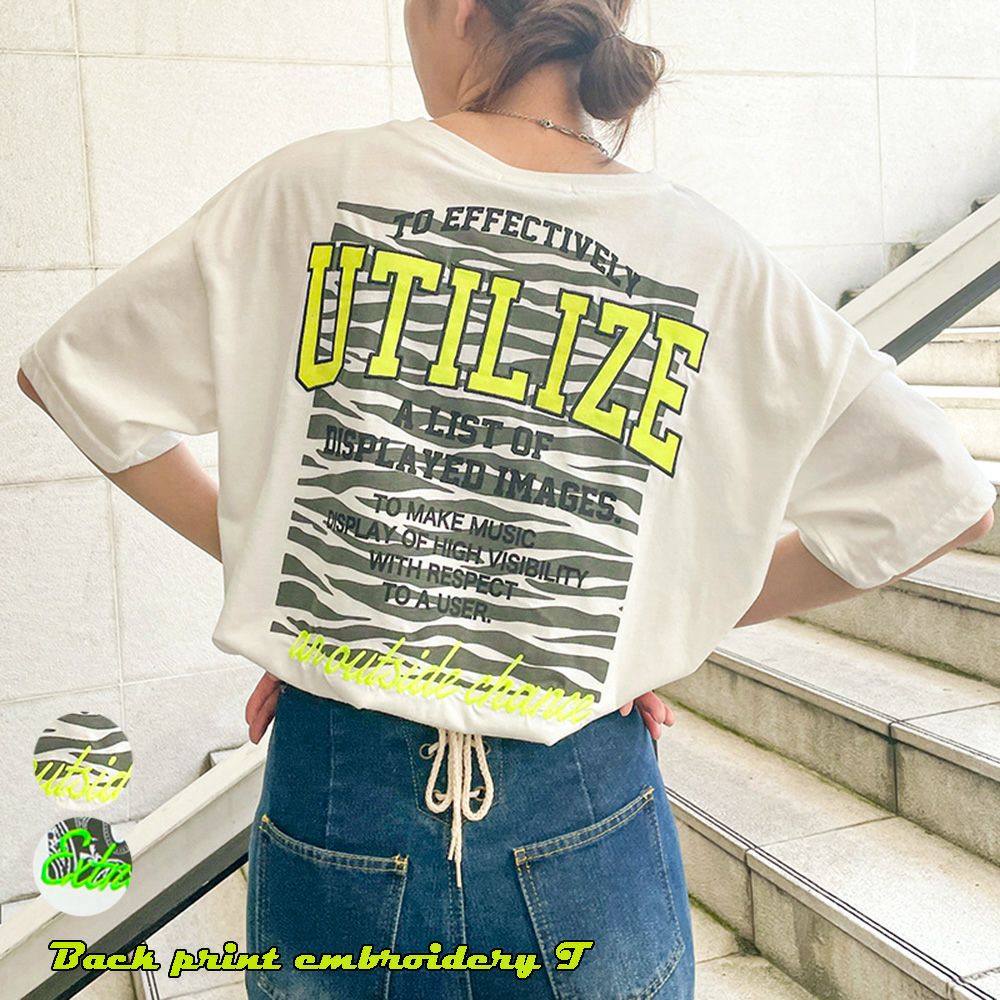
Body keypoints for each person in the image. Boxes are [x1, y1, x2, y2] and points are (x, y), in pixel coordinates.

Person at [16, 1, 996, 998]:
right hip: (581, 800)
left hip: (339, 789)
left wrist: (299, 584)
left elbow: (75, 378)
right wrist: (637, 626)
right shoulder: (704, 252)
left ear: (452, 10)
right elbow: (939, 499)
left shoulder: (312, 188)